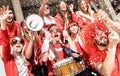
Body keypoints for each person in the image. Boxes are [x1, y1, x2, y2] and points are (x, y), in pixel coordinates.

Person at [80, 9, 120, 76]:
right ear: (92, 40)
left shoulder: (116, 42)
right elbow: (106, 72)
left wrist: (108, 20)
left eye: (102, 32)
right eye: (97, 34)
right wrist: (112, 46)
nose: (102, 35)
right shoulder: (94, 57)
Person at [0, 8, 35, 76]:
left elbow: (28, 56)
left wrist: (31, 41)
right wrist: (2, 23)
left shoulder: (17, 24)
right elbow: (5, 46)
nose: (18, 42)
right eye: (14, 41)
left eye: (10, 13)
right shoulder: (9, 59)